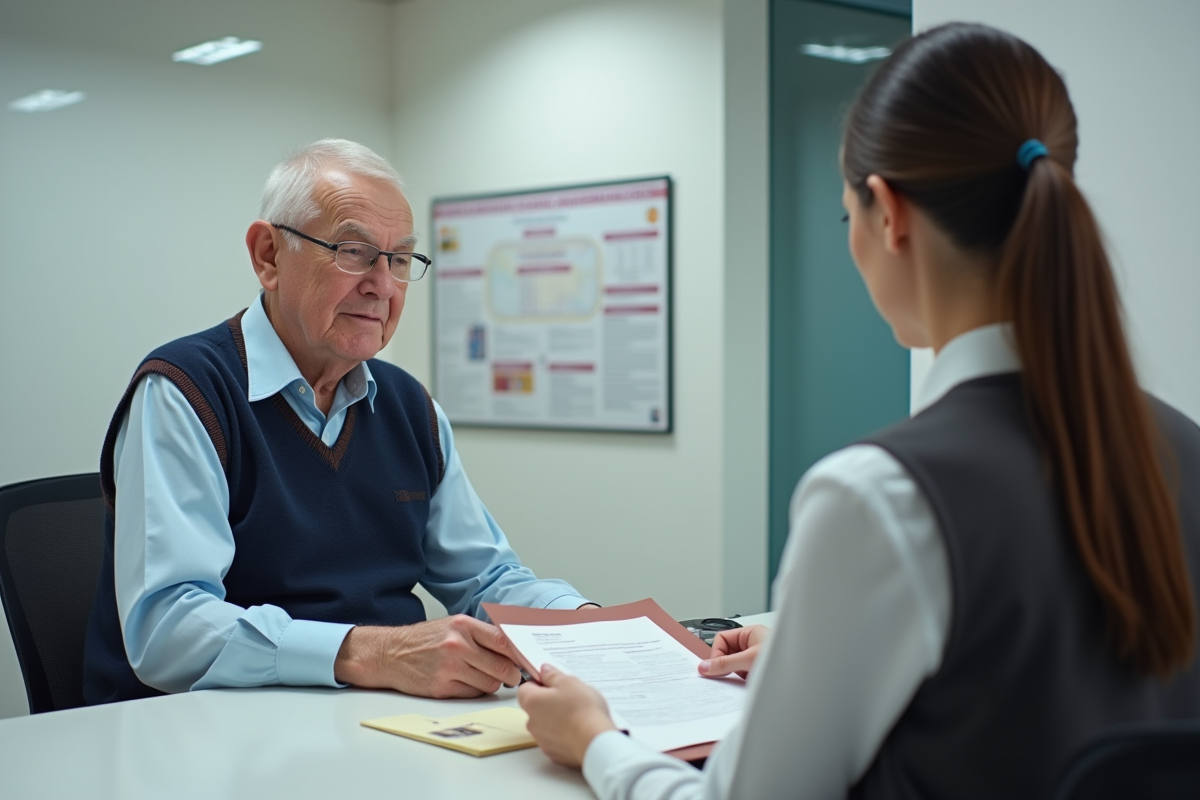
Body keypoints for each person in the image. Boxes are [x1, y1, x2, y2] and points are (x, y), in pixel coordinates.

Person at [517, 22, 1200, 799]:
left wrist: (595, 740)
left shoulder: (882, 493)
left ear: (887, 211)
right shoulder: (1185, 447)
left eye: (848, 215)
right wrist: (822, 651)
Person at [83, 139, 596, 705]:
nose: (382, 285)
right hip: (205, 741)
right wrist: (374, 654)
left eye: (400, 259)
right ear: (269, 256)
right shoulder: (185, 391)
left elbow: (487, 580)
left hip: (375, 725)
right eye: (353, 251)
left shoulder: (408, 406)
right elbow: (167, 629)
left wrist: (587, 625)